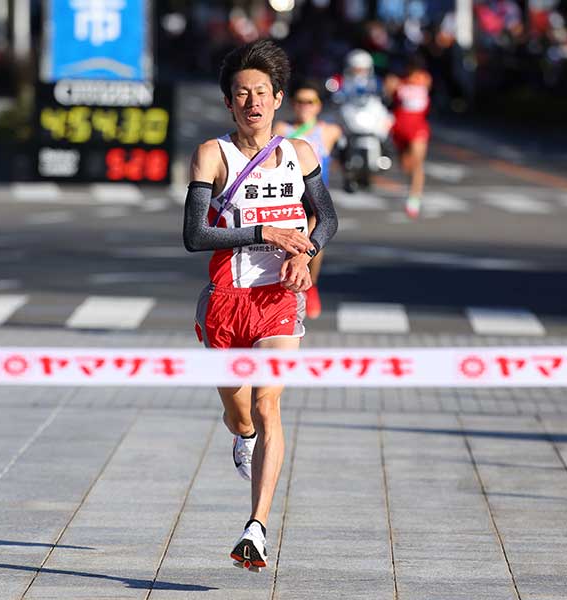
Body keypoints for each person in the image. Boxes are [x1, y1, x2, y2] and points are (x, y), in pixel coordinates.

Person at [183, 39, 338, 572]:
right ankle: (242, 434)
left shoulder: (300, 154)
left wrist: (307, 253)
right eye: (242, 93)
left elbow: (328, 218)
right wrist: (262, 230)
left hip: (279, 300)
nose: (253, 101)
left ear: (278, 99)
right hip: (226, 300)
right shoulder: (212, 155)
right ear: (230, 103)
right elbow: (195, 235)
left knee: (270, 403)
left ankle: (257, 527)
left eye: (262, 92)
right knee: (239, 409)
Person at [275, 81, 343, 320]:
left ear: (318, 106)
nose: (305, 106)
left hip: (315, 193)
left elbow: (344, 155)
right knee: (289, 242)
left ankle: (311, 284)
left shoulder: (328, 131)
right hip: (289, 193)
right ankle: (289, 288)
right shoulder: (282, 128)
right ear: (293, 105)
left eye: (310, 102)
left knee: (313, 238)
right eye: (300, 102)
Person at [385, 53, 432, 219]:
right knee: (406, 165)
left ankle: (414, 197)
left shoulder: (424, 80)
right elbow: (389, 97)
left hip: (418, 127)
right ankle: (411, 186)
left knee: (418, 161)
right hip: (400, 127)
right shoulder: (398, 83)